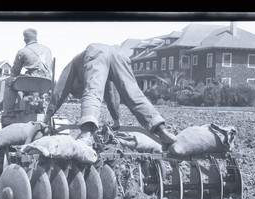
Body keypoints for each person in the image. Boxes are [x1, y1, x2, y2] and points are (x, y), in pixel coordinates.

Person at [43, 43, 176, 147]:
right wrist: (116, 120)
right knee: (135, 94)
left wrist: (47, 117)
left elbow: (59, 91)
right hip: (119, 54)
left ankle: (86, 133)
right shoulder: (100, 72)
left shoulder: (74, 64)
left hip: (96, 52)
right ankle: (160, 130)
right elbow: (111, 92)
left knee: (92, 90)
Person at [2, 28, 53, 112]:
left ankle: (8, 112)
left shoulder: (23, 51)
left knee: (8, 82)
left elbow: (15, 72)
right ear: (36, 38)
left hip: (31, 82)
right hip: (46, 82)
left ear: (25, 39)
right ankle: (42, 110)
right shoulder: (47, 49)